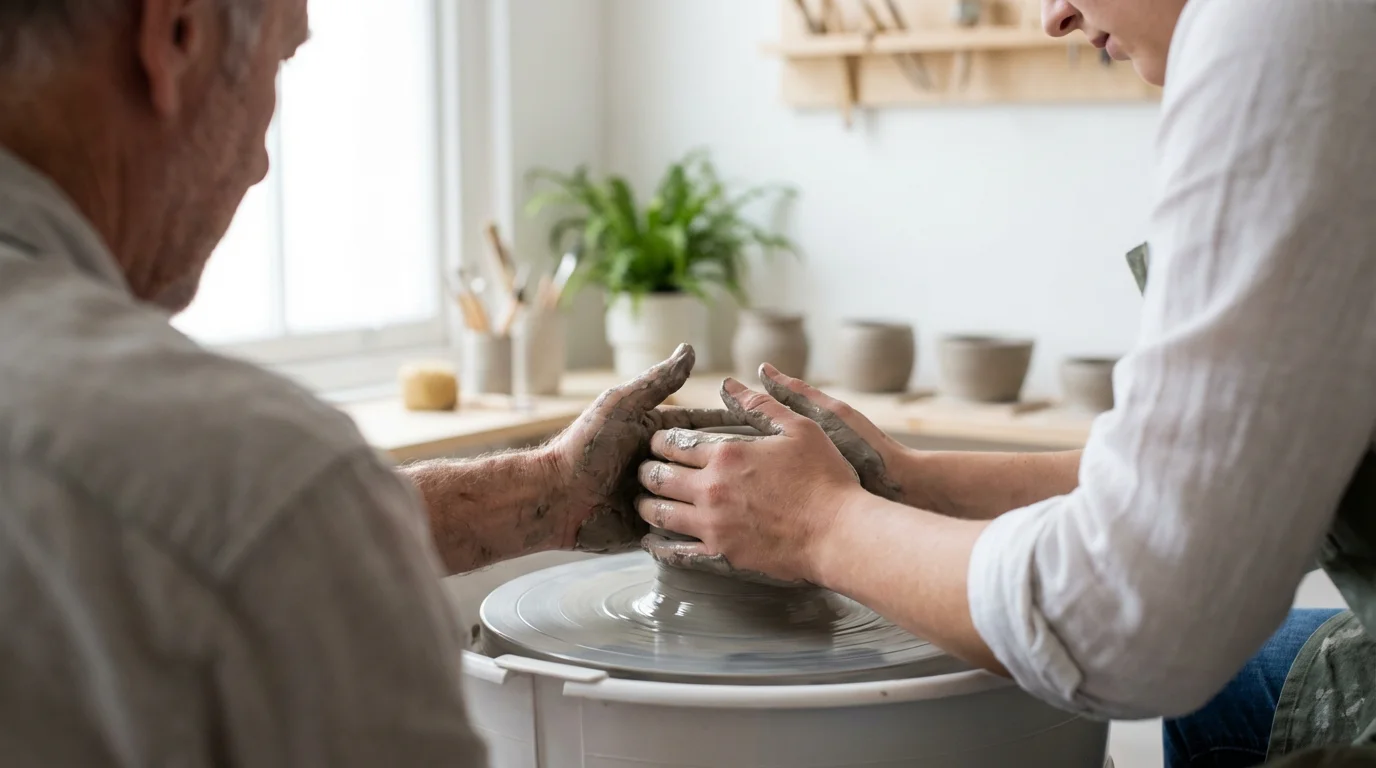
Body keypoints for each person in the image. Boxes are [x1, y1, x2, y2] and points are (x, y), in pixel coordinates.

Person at [635, 0, 1376, 763]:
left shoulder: (1280, 28)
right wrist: (907, 484)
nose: (1054, 17)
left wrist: (817, 525)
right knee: (1232, 692)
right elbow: (1233, 476)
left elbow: (1134, 619)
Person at [0, 1, 731, 765]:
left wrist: (549, 490)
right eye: (279, 62)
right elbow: (260, 517)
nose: (259, 163)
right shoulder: (253, 466)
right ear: (175, 36)